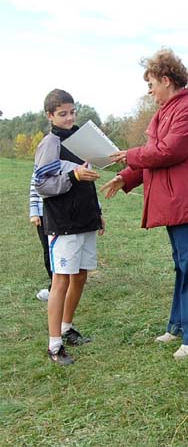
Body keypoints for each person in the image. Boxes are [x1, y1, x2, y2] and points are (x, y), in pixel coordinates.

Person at [101, 49, 188, 360]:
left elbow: (168, 151)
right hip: (176, 202)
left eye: (151, 84)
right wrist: (125, 177)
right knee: (182, 264)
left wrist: (128, 155)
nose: (150, 91)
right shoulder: (166, 111)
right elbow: (153, 155)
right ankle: (179, 326)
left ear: (166, 80)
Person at [34, 89, 104, 365]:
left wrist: (98, 212)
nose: (69, 118)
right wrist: (73, 175)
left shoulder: (81, 140)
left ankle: (66, 327)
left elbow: (89, 177)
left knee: (81, 275)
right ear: (50, 115)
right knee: (61, 280)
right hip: (63, 223)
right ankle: (54, 346)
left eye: (72, 112)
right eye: (62, 114)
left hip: (86, 220)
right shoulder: (49, 144)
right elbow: (42, 185)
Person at [30, 171, 52, 301]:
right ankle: (54, 286)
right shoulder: (42, 160)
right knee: (48, 251)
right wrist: (34, 211)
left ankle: (56, 288)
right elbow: (34, 185)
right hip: (43, 213)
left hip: (63, 213)